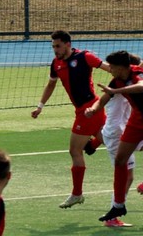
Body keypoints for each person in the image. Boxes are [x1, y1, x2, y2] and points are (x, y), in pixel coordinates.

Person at [31, 30, 110, 209]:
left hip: (90, 110)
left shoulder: (85, 57)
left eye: (58, 46)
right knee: (117, 145)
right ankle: (100, 143)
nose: (55, 50)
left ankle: (77, 194)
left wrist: (126, 82)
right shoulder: (56, 63)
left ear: (68, 44)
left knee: (75, 151)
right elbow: (51, 84)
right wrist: (40, 106)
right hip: (85, 111)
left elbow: (110, 69)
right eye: (53, 46)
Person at [84, 50, 143, 222]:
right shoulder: (116, 80)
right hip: (136, 119)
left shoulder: (136, 74)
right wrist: (93, 109)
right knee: (120, 160)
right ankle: (118, 206)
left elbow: (141, 86)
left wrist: (117, 90)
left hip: (128, 122)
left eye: (112, 67)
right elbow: (103, 99)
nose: (109, 69)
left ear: (121, 67)